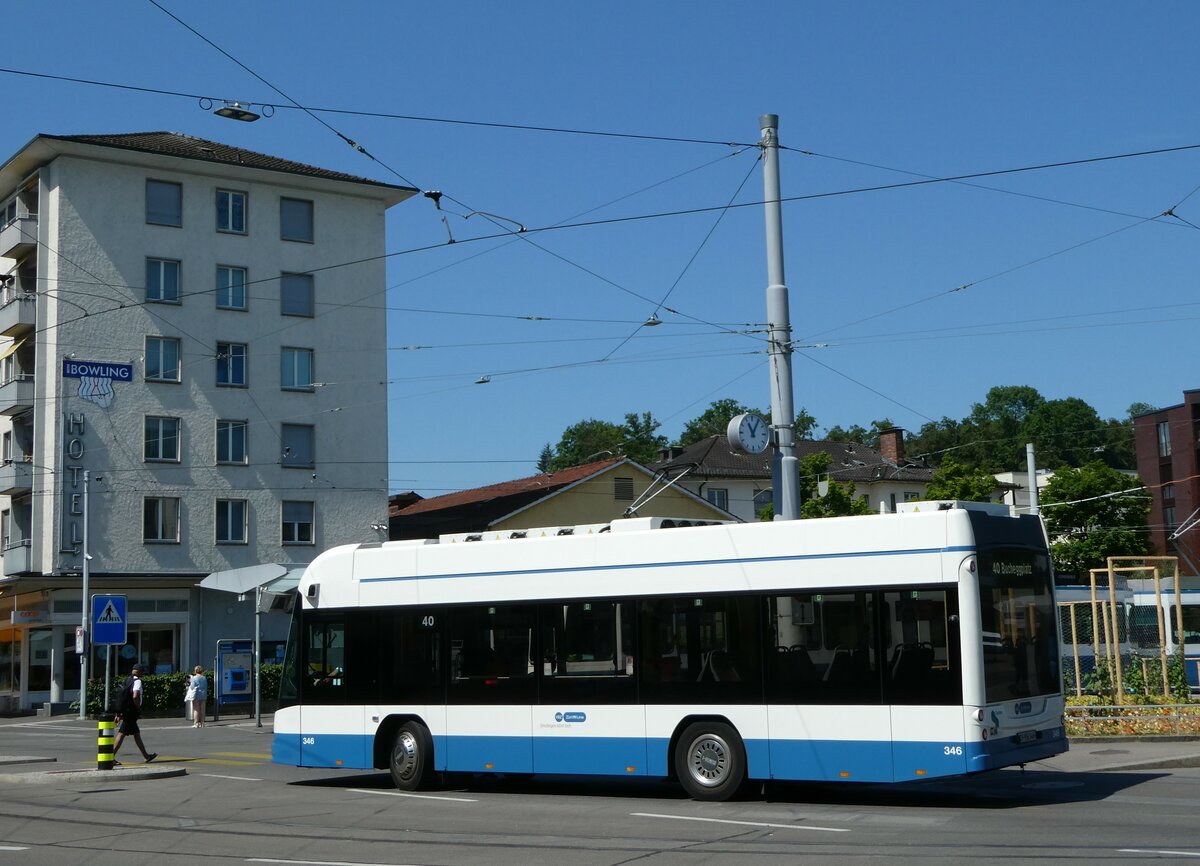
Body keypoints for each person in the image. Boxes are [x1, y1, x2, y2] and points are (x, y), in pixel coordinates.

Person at [113, 665, 157, 764]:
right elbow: (135, 696)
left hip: (126, 710)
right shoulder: (137, 682)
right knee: (122, 733)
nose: (143, 674)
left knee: (136, 734)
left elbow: (121, 698)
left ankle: (146, 756)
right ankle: (110, 756)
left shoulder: (127, 680)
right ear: (139, 672)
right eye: (142, 672)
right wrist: (137, 707)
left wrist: (118, 713)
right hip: (131, 711)